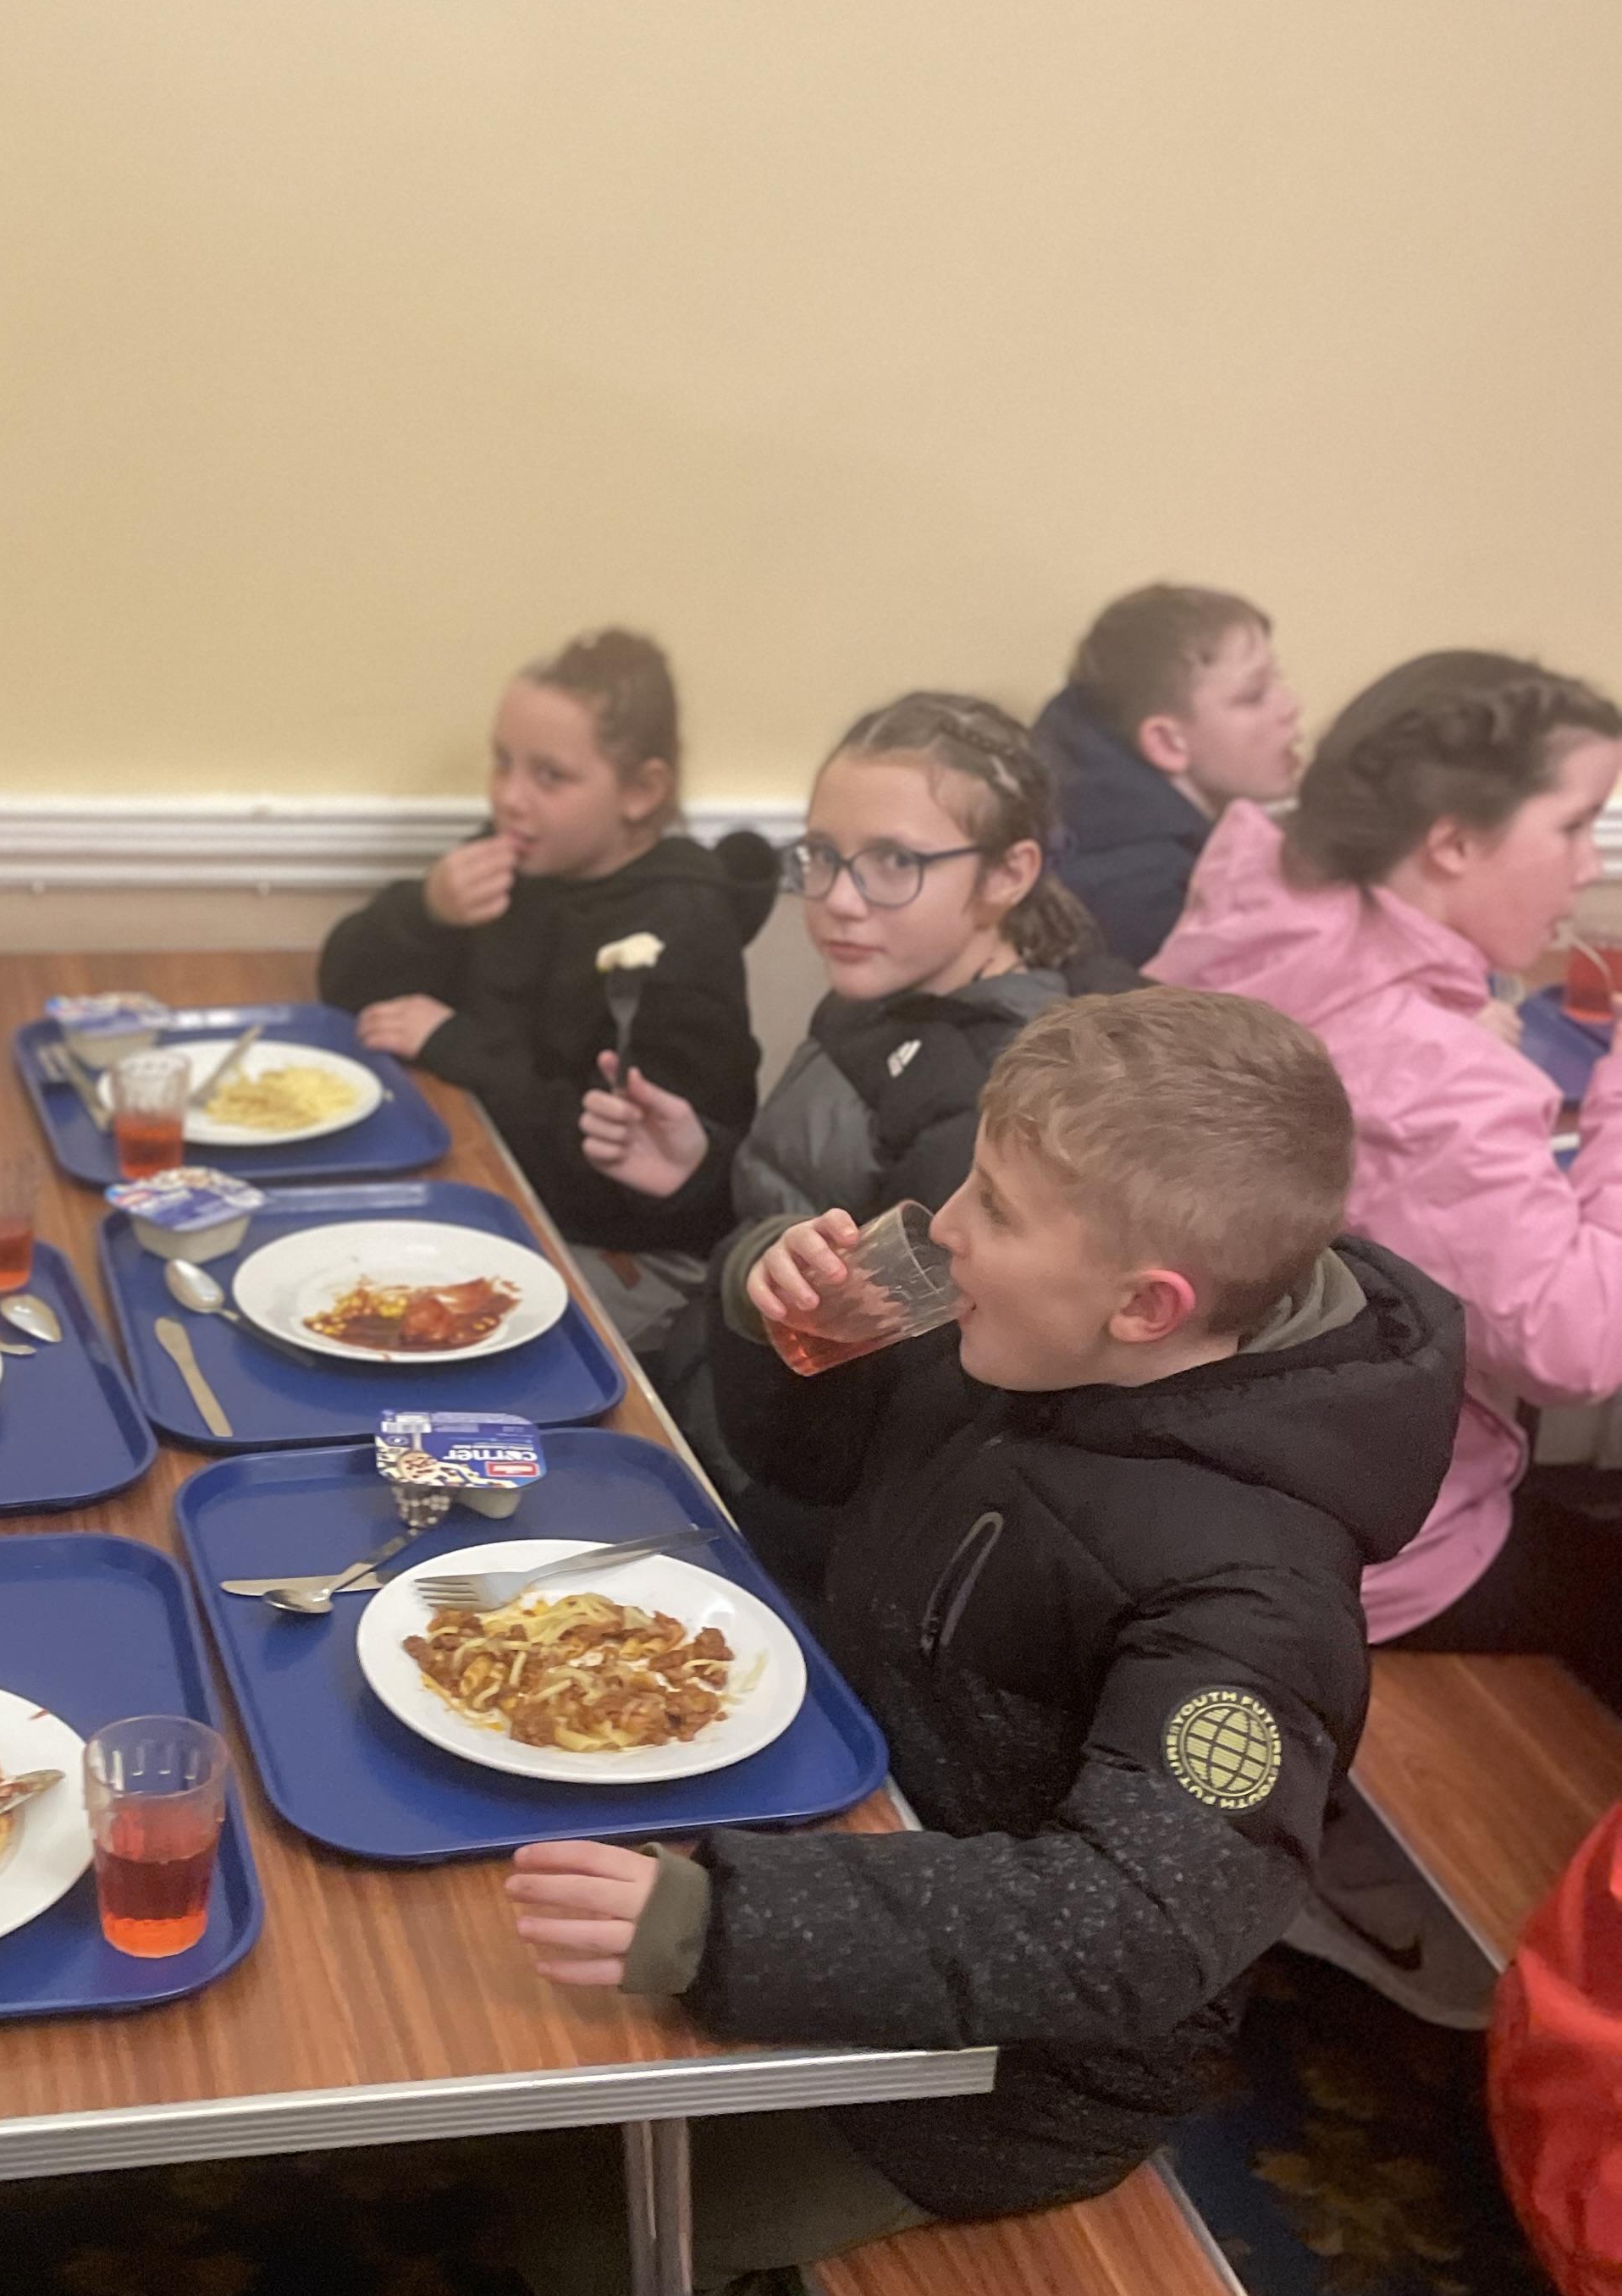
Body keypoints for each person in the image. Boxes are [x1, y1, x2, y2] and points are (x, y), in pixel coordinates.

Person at [498, 987, 1463, 2296]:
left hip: (1021, 2070)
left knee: (596, 2230)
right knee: (526, 2008)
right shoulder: (1010, 1303)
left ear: (1148, 1307)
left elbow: (1136, 1921)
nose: (940, 1223)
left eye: (994, 1208)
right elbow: (803, 1456)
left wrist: (738, 1925)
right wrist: (770, 1299)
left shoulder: (1254, 1603)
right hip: (860, 1815)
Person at [1150, 650, 1622, 2006]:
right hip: (1358, 1558)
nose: (1588, 866)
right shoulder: (1425, 1074)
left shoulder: (1263, 907)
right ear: (1453, 840)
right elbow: (1577, 1349)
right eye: (1573, 825)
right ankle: (1483, 1927)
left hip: (1196, 1478)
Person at [578, 694, 1131, 1383]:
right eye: (822, 855)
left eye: (895, 860)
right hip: (715, 1347)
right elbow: (805, 1207)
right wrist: (699, 1172)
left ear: (1007, 875)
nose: (838, 899)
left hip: (750, 1409)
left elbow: (869, 1377)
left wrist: (751, 1269)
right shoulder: (884, 990)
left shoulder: (990, 1097)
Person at [314, 630, 776, 1293]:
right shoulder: (522, 856)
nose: (510, 796)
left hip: (625, 1253)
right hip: (490, 1175)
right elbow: (345, 988)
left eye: (549, 776)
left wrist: (453, 1044)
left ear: (642, 791)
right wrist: (426, 909)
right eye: (502, 762)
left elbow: (611, 1171)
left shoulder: (680, 935)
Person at [1034, 583, 1303, 966]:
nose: (1290, 706)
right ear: (1167, 743)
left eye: (1278, 679)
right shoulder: (1143, 897)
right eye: (1253, 694)